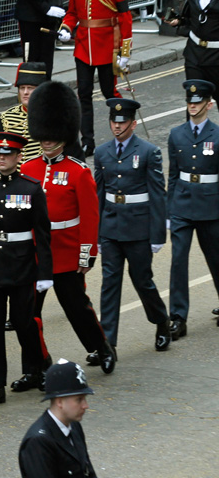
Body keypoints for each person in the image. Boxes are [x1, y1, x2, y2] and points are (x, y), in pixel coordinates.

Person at [21, 81, 118, 373]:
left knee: (77, 309)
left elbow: (90, 216)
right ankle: (37, 365)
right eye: (44, 134)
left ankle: (101, 348)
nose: (47, 140)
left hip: (65, 254)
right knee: (28, 315)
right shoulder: (28, 169)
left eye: (52, 135)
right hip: (36, 254)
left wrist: (86, 254)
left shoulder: (78, 172)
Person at [0, 132, 53, 401]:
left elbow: (43, 234)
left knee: (25, 324)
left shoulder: (31, 188)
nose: (2, 159)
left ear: (19, 158)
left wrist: (44, 273)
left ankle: (39, 368)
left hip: (22, 268)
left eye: (8, 155)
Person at [94, 98, 171, 355]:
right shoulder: (102, 152)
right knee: (109, 284)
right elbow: (99, 195)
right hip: (111, 228)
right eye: (113, 122)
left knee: (143, 281)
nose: (117, 127)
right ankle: (108, 344)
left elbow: (157, 194)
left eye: (122, 122)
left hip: (138, 229)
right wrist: (97, 234)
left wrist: (158, 233)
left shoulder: (148, 151)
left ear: (133, 124)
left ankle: (161, 322)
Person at [57, 0, 132, 157]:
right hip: (83, 48)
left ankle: (121, 134)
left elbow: (124, 17)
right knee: (84, 96)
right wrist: (66, 28)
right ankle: (87, 141)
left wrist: (125, 53)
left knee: (111, 93)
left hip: (109, 47)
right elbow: (73, 13)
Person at [166, 79, 219, 341]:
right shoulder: (176, 134)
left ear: (209, 104)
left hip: (211, 207)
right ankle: (177, 317)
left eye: (197, 102)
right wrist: (169, 209)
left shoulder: (218, 135)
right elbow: (173, 175)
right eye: (189, 102)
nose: (193, 106)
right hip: (182, 206)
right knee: (178, 261)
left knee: (216, 260)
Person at [173, 0, 219, 91]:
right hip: (194, 53)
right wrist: (178, 21)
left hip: (216, 56)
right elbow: (188, 18)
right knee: (194, 99)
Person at [0, 62, 48, 163]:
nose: (25, 92)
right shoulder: (6, 117)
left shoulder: (53, 117)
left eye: (30, 88)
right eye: (22, 88)